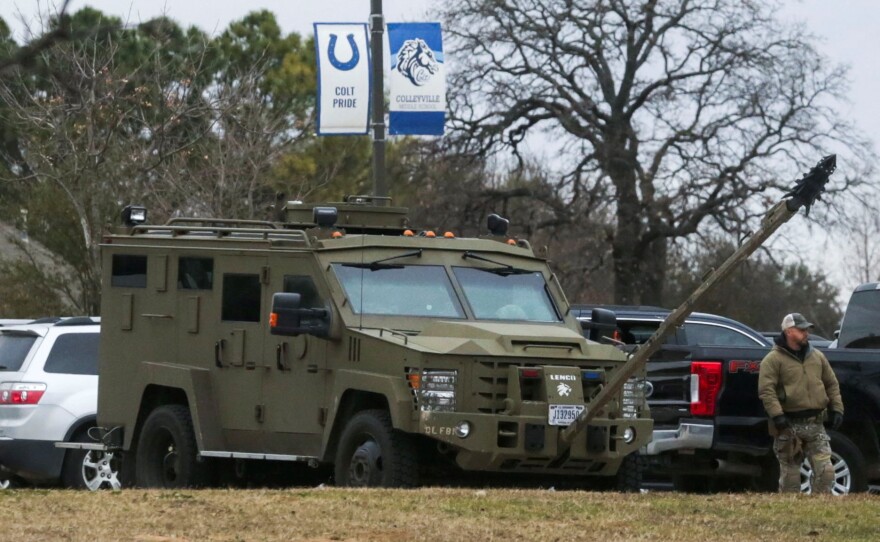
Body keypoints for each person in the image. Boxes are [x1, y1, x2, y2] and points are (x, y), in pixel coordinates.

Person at [758, 312, 844, 493]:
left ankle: (820, 509)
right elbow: (767, 391)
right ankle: (791, 512)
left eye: (807, 330)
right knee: (791, 477)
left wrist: (837, 408)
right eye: (801, 329)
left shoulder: (817, 357)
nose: (806, 333)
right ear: (789, 332)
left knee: (826, 472)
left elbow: (831, 384)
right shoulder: (773, 360)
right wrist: (777, 415)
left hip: (815, 424)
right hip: (788, 425)